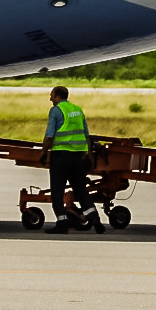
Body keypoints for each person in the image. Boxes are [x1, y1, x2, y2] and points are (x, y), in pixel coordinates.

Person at [42, 85, 103, 234]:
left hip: (61, 156)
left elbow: (50, 135)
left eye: (51, 95)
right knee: (81, 191)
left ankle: (62, 223)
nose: (50, 98)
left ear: (57, 97)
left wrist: (44, 152)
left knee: (57, 191)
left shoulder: (56, 111)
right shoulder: (78, 110)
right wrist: (88, 155)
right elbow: (86, 135)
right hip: (77, 157)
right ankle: (95, 219)